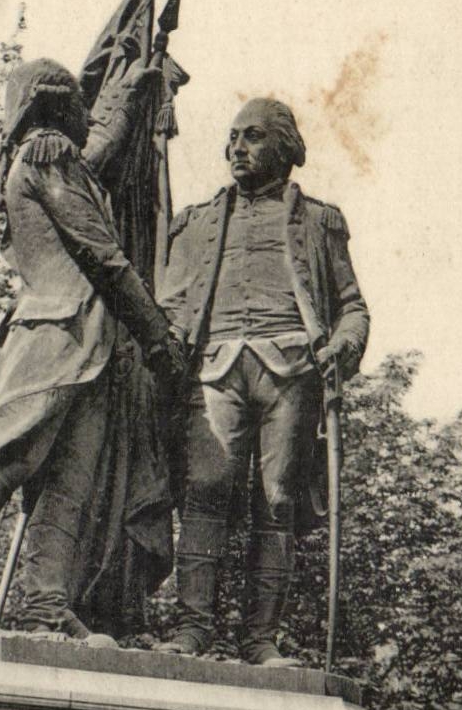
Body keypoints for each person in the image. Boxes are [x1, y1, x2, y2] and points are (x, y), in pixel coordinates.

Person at [0, 57, 181, 638]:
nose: (86, 110)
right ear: (54, 106)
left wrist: (130, 92)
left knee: (68, 487)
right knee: (6, 467)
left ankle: (44, 605)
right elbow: (101, 253)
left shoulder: (56, 162)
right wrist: (158, 338)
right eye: (79, 100)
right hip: (57, 338)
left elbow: (99, 156)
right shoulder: (48, 153)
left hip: (87, 347)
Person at [156, 97, 370, 664]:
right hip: (215, 370)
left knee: (276, 502)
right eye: (232, 138)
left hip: (292, 372)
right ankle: (192, 628)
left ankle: (260, 639)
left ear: (284, 147)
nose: (237, 149)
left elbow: (352, 307)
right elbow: (171, 307)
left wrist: (344, 346)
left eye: (251, 137)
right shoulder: (197, 222)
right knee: (204, 490)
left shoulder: (321, 222)